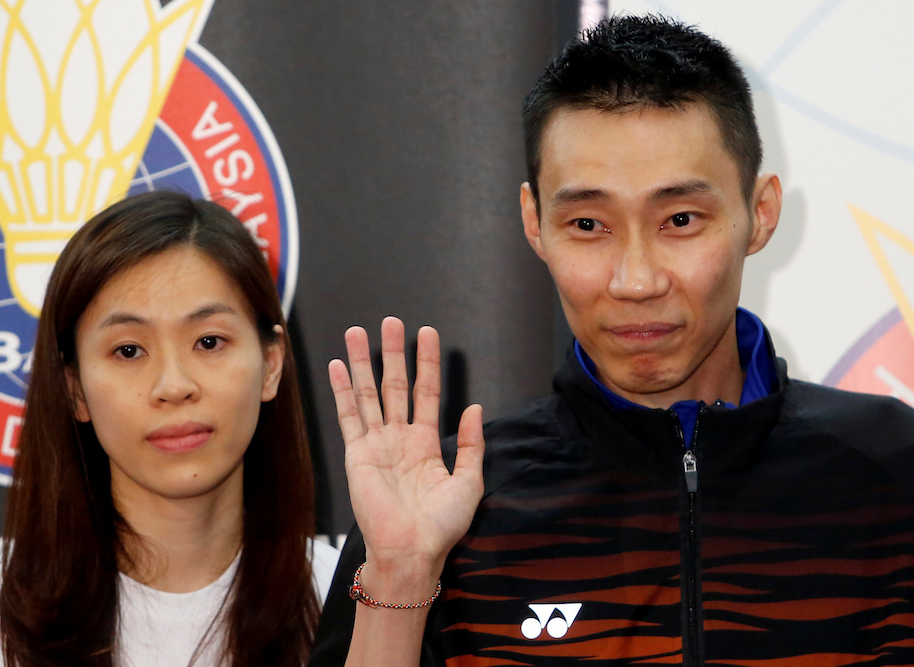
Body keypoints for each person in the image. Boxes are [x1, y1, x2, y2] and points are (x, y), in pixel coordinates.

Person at [309, 15, 914, 666]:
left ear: (759, 213)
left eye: (680, 219)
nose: (635, 280)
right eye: (589, 223)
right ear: (534, 222)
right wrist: (401, 575)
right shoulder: (449, 505)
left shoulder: (893, 473)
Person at [0, 190, 339, 666]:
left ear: (271, 364)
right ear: (74, 389)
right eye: (129, 351)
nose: (173, 386)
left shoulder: (356, 603)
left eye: (209, 341)